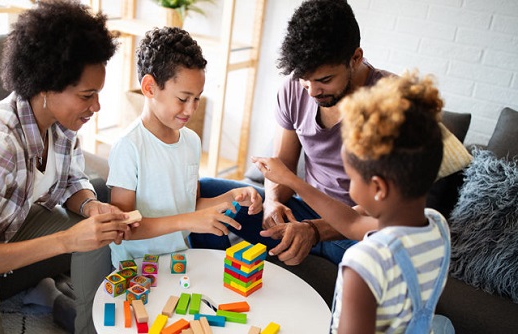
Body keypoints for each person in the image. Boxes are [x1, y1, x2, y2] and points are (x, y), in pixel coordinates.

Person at [0, 1, 133, 333]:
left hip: (0, 228)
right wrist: (66, 241)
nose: (97, 106)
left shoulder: (60, 125)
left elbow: (71, 182)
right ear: (46, 86)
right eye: (87, 95)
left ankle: (90, 326)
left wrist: (92, 208)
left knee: (97, 228)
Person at [194, 0, 393, 265]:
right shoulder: (293, 89)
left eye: (324, 80)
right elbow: (284, 163)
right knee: (206, 193)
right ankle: (217, 285)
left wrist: (313, 230)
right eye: (304, 79)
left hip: (357, 229)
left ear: (355, 59)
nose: (311, 92)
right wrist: (273, 203)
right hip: (303, 209)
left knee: (374, 258)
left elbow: (377, 212)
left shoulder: (394, 103)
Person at [253, 71, 453, 333]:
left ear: (378, 187)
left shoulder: (364, 261)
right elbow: (353, 221)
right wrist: (293, 181)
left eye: (352, 176)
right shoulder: (437, 226)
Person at [106, 27, 262, 267]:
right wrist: (189, 221)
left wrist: (231, 198)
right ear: (149, 87)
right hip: (136, 268)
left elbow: (190, 206)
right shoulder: (129, 147)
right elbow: (123, 227)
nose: (191, 110)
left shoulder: (191, 142)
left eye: (197, 98)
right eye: (183, 98)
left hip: (179, 260)